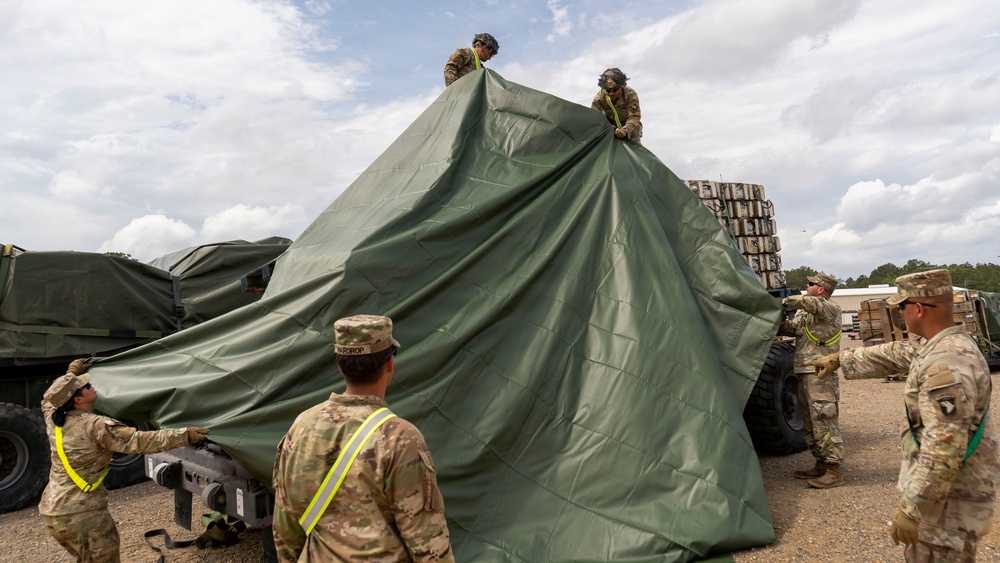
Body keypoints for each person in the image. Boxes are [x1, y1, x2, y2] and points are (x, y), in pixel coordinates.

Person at [808, 269, 998, 560]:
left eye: (900, 307)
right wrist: (839, 359)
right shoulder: (942, 345)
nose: (899, 314)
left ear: (918, 308)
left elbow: (945, 446)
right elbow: (897, 352)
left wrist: (913, 508)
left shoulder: (946, 364)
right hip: (948, 493)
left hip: (947, 501)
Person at [272, 314, 453, 562]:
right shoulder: (401, 438)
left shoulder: (302, 425)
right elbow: (428, 544)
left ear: (340, 365)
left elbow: (286, 528)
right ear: (389, 364)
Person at [39, 359, 209, 562]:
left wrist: (71, 373)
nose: (92, 386)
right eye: (87, 386)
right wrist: (186, 435)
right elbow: (141, 441)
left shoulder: (54, 417)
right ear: (77, 399)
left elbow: (48, 399)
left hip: (53, 512)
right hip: (84, 516)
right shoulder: (96, 426)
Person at [778, 272, 845, 488]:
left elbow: (809, 303)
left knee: (824, 421)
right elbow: (791, 328)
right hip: (805, 372)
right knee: (810, 423)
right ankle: (821, 464)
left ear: (821, 289)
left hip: (821, 374)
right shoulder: (807, 316)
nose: (806, 286)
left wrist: (784, 300)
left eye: (810, 284)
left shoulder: (829, 307)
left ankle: (834, 471)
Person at [591, 68, 642, 143]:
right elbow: (595, 120)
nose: (611, 94)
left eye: (615, 90)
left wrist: (625, 130)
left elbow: (634, 116)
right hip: (611, 135)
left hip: (631, 134)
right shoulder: (598, 99)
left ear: (622, 86)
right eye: (608, 91)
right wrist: (611, 130)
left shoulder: (630, 94)